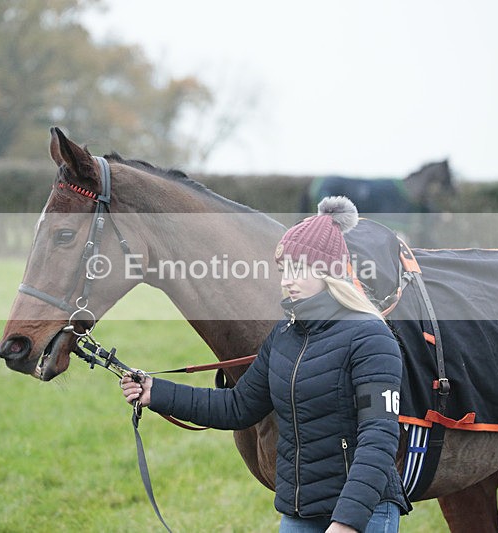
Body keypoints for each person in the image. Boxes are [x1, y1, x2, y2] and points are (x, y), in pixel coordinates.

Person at [121, 196, 410, 532]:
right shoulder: (285, 335)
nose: (287, 280)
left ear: (328, 273)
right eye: (284, 270)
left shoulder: (371, 337)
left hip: (364, 514)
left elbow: (379, 437)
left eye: (298, 269)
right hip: (300, 513)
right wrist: (156, 392)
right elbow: (238, 406)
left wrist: (348, 521)